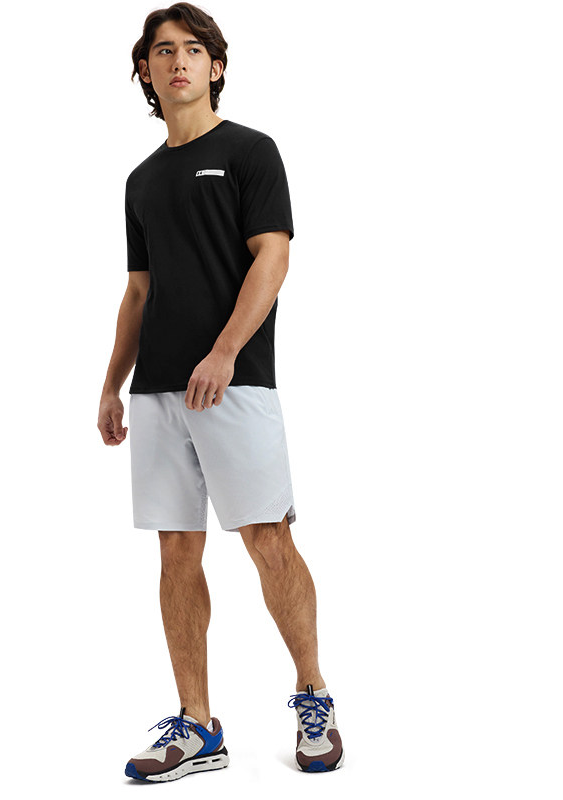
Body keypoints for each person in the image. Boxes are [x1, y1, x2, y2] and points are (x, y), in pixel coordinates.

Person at [97, 2, 344, 782]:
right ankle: (199, 724)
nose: (178, 61)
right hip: (158, 392)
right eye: (163, 51)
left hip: (235, 384)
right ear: (145, 71)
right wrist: (112, 385)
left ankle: (313, 694)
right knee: (176, 550)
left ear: (217, 66)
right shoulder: (140, 180)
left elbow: (273, 257)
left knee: (267, 539)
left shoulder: (250, 152)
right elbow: (138, 291)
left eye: (193, 49)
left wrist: (226, 351)